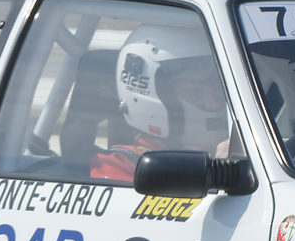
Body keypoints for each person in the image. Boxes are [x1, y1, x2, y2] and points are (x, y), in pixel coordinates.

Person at [90, 26, 230, 183]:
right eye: (194, 92)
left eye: (219, 90)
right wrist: (220, 175)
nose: (214, 104)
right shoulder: (121, 166)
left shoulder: (246, 153)